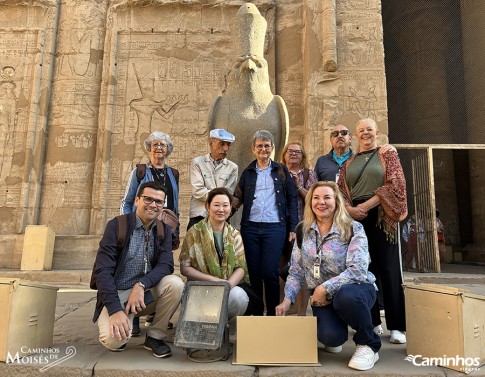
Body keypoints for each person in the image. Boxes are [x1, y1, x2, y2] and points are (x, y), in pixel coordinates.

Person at [276, 181, 380, 371]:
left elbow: (358, 269)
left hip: (356, 289)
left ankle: (368, 344)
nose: (321, 202)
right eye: (316, 198)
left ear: (337, 201)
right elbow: (297, 269)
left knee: (346, 296)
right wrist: (287, 300)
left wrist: (324, 288)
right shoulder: (303, 230)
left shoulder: (353, 228)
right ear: (310, 203)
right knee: (330, 338)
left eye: (327, 197)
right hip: (322, 298)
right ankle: (337, 325)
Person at [92, 181, 184, 357]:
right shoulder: (117, 226)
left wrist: (141, 285)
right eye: (148, 199)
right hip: (118, 293)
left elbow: (166, 265)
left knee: (175, 284)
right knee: (114, 341)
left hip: (145, 292)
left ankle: (155, 336)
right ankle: (126, 318)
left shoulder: (163, 230)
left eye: (159, 202)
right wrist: (115, 310)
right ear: (136, 200)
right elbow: (102, 271)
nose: (153, 205)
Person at [338, 118, 408, 345]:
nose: (365, 133)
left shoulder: (387, 155)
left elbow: (395, 184)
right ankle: (372, 321)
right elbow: (340, 190)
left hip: (381, 215)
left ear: (377, 132)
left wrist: (365, 207)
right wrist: (349, 209)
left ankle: (397, 326)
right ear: (356, 136)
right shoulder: (349, 162)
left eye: (369, 129)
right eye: (361, 131)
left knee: (389, 270)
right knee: (363, 270)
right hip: (356, 220)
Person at [232, 130, 298, 316]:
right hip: (250, 228)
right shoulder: (248, 172)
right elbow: (237, 198)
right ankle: (256, 313)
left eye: (267, 146)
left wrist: (293, 227)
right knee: (253, 273)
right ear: (253, 149)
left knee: (269, 272)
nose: (263, 149)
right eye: (259, 146)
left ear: (272, 148)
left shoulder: (281, 171)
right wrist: (221, 216)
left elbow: (292, 199)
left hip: (275, 228)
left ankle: (271, 315)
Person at [120, 131, 180, 335]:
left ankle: (154, 314)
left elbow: (174, 205)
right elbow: (128, 201)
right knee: (138, 267)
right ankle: (134, 314)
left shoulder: (173, 174)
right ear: (149, 148)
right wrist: (128, 226)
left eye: (163, 145)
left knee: (162, 269)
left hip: (164, 231)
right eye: (155, 144)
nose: (159, 148)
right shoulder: (140, 171)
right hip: (140, 227)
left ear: (168, 149)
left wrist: (175, 231)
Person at [179, 187, 249, 336]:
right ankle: (210, 329)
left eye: (225, 205)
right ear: (207, 206)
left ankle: (228, 333)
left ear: (230, 207)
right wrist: (214, 281)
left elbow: (241, 267)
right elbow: (185, 268)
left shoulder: (234, 234)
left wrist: (227, 286)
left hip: (225, 289)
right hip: (200, 289)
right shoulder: (194, 232)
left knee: (240, 297)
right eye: (216, 205)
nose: (221, 209)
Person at [279, 141, 317, 315]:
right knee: (280, 270)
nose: (293, 154)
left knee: (302, 270)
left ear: (303, 156)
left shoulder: (310, 174)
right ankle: (282, 309)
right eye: (290, 151)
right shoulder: (277, 172)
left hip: (303, 228)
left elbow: (314, 199)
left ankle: (301, 313)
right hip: (280, 227)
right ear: (284, 154)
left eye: (298, 151)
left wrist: (298, 186)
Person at [188, 129, 238, 230]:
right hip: (199, 215)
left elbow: (228, 194)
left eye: (228, 145)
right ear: (211, 143)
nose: (226, 148)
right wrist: (219, 199)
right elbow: (197, 190)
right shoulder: (197, 162)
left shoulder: (232, 167)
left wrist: (216, 202)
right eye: (222, 144)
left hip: (221, 216)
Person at [314, 124, 396, 182]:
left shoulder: (359, 158)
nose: (339, 136)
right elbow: (315, 186)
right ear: (331, 140)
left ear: (350, 138)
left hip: (353, 205)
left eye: (344, 133)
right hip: (330, 205)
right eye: (335, 134)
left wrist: (391, 150)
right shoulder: (321, 161)